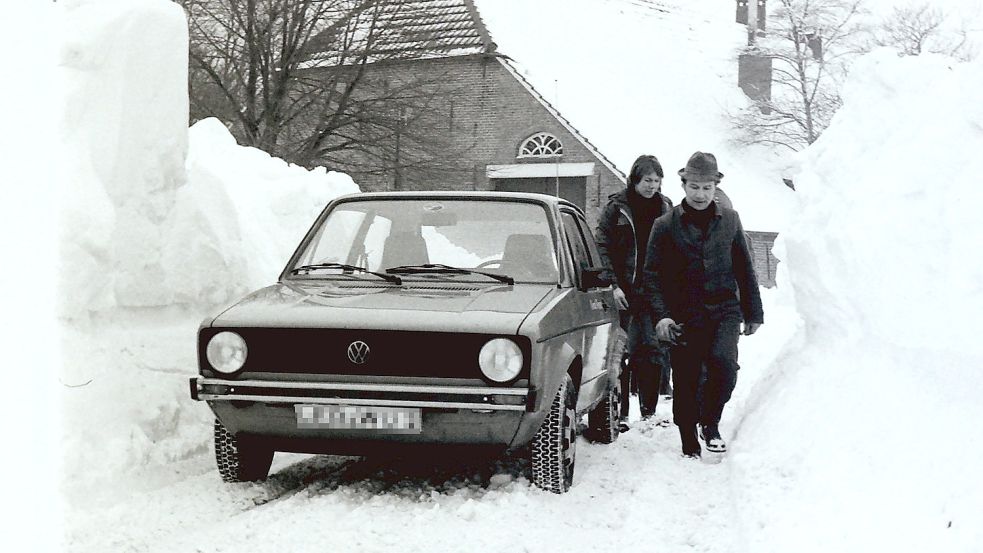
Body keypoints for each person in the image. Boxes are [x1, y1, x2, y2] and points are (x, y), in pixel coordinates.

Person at [641, 151, 763, 457]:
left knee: (724, 367)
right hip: (685, 313)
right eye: (694, 186)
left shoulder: (731, 221)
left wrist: (753, 312)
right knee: (687, 376)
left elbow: (744, 268)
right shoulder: (665, 225)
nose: (700, 194)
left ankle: (709, 422)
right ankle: (688, 439)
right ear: (683, 185)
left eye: (707, 187)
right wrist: (662, 317)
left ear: (716, 187)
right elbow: (651, 276)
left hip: (724, 309)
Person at [595, 154, 673, 432]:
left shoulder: (666, 207)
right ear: (635, 179)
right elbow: (601, 246)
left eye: (656, 181)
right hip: (623, 291)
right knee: (621, 351)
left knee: (651, 351)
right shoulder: (617, 208)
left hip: (653, 291)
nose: (652, 186)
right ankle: (620, 412)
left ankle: (649, 411)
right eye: (647, 180)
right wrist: (612, 285)